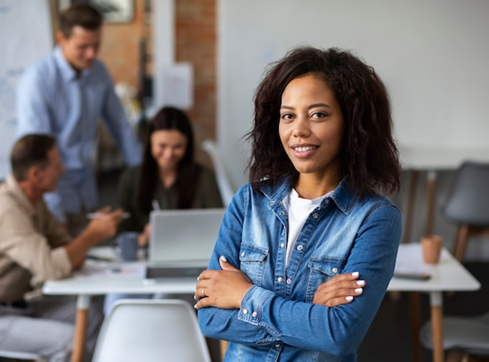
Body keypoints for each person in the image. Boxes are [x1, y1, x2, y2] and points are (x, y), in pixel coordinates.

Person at [194, 46, 402, 361]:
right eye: (288, 116)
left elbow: (339, 334)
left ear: (352, 122)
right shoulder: (248, 202)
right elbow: (211, 318)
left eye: (318, 114)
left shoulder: (375, 218)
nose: (299, 131)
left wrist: (244, 295)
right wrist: (308, 314)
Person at [0, 134, 126, 362]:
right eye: (57, 164)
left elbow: (67, 248)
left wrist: (86, 238)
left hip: (15, 305)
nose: (63, 170)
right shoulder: (7, 211)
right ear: (36, 174)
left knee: (91, 318)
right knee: (68, 341)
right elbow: (51, 268)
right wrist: (92, 234)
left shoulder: (34, 199)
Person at [16, 3, 142, 236]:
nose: (91, 54)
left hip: (88, 193)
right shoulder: (38, 80)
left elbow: (121, 127)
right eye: (82, 47)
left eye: (96, 45)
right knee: (60, 267)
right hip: (54, 199)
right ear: (61, 39)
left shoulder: (99, 72)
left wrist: (144, 176)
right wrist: (55, 211)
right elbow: (37, 155)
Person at [117, 106, 223, 248]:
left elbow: (219, 226)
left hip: (193, 252)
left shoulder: (205, 177)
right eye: (162, 145)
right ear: (150, 143)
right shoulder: (131, 178)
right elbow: (120, 233)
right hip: (144, 256)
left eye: (177, 147)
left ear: (187, 146)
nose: (168, 154)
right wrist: (142, 238)